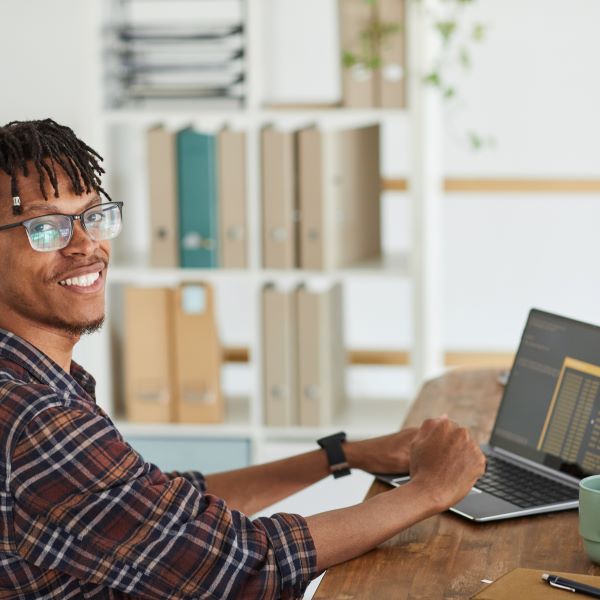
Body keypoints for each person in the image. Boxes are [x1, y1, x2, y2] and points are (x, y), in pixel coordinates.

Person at [0, 119, 485, 599]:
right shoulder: (35, 416)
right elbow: (240, 567)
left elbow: (164, 513)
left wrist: (341, 456)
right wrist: (429, 492)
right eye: (46, 228)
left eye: (92, 215)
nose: (86, 244)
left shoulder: (37, 381)